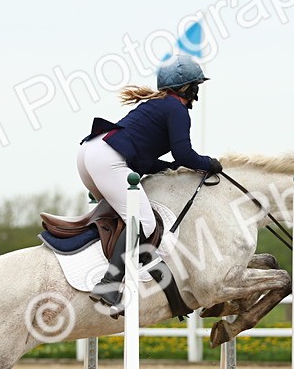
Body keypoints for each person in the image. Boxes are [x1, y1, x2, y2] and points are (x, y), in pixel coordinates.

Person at [76, 54, 223, 314]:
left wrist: (171, 168)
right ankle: (109, 285)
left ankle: (113, 269)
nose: (196, 93)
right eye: (195, 87)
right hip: (107, 158)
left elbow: (147, 159)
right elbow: (184, 154)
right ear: (187, 88)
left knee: (122, 220)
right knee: (143, 222)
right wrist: (208, 163)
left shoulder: (157, 105)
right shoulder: (176, 109)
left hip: (90, 152)